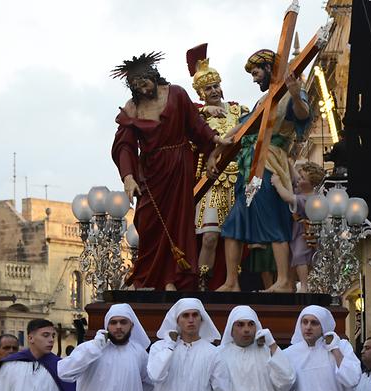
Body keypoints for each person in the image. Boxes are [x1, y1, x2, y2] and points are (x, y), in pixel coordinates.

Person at [111, 51, 224, 291]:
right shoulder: (132, 108)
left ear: (153, 76)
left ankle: (174, 278)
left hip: (179, 165)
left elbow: (196, 125)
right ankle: (147, 277)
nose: (142, 89)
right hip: (150, 171)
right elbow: (124, 145)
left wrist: (214, 138)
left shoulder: (176, 94)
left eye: (144, 83)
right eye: (136, 86)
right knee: (147, 221)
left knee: (178, 222)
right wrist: (128, 177)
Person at [215, 49, 311, 293]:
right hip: (249, 166)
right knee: (233, 225)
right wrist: (215, 152)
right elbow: (242, 127)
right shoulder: (263, 99)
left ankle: (284, 281)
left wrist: (295, 95)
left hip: (269, 163)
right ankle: (231, 282)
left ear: (269, 68)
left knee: (272, 220)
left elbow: (303, 115)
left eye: (256, 72)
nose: (255, 78)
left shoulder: (291, 92)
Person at [186, 46, 249, 288]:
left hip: (237, 180)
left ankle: (234, 283)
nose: (213, 91)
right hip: (212, 181)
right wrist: (201, 111)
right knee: (210, 237)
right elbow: (179, 115)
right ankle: (201, 285)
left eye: (215, 86)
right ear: (200, 93)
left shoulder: (238, 110)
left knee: (235, 238)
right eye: (207, 88)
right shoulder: (197, 116)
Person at [272, 161, 323, 292]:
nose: (299, 180)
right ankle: (292, 284)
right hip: (298, 230)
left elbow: (288, 197)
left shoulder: (308, 199)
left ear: (311, 184)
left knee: (300, 256)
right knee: (294, 256)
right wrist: (288, 162)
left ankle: (305, 285)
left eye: (303, 179)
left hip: (304, 231)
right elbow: (295, 177)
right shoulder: (303, 191)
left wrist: (277, 184)